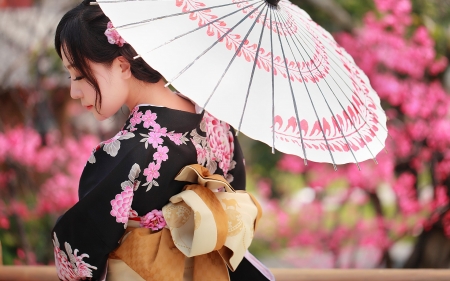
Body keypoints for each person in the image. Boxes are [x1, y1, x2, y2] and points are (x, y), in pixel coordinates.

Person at [51, 1, 274, 280]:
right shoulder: (218, 125)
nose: (73, 91)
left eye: (79, 75)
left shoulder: (126, 152)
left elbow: (81, 248)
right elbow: (234, 194)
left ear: (122, 65)